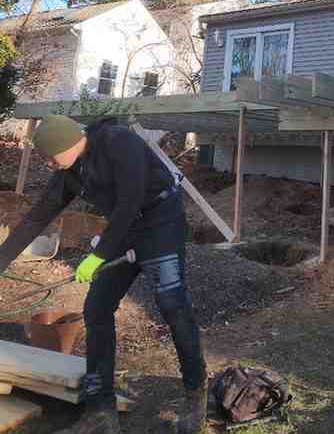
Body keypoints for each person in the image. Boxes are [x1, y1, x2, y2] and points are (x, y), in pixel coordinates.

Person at [0, 115, 208, 434]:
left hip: (161, 221)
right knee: (96, 309)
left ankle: (195, 392)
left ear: (68, 143)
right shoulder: (69, 172)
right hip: (123, 228)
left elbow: (130, 199)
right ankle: (100, 410)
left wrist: (97, 256)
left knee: (172, 305)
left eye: (50, 157)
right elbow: (35, 219)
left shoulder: (118, 141)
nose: (49, 164)